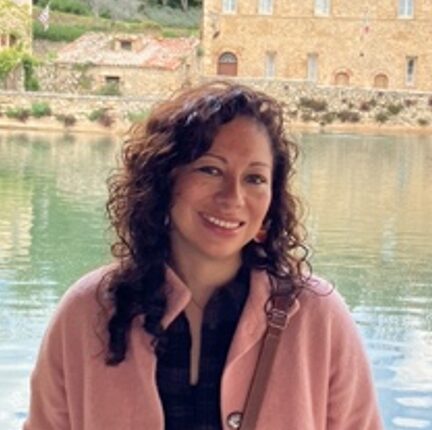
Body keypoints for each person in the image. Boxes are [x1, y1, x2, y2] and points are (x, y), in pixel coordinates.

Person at [24, 81, 383, 430]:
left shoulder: (317, 317)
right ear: (164, 178)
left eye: (255, 178)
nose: (233, 198)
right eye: (210, 170)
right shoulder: (89, 311)